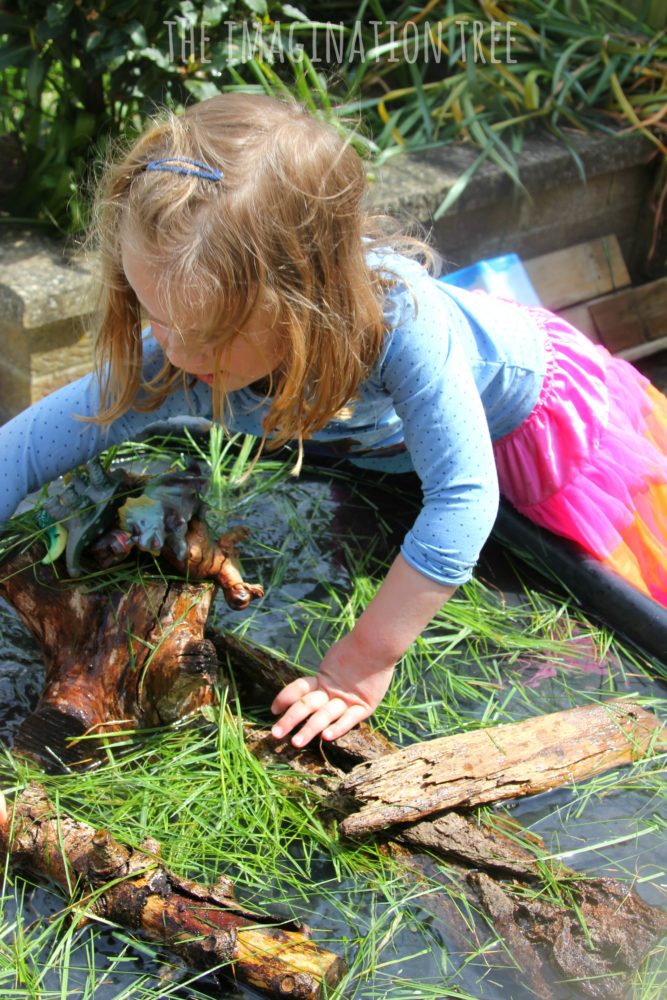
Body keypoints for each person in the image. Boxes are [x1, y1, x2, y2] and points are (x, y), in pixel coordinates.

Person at [1, 93, 666, 747]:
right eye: (155, 313)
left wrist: (364, 660)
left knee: (589, 603)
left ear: (302, 305)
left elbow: (464, 501)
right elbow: (24, 448)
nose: (172, 350)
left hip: (540, 434)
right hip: (391, 448)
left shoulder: (400, 324)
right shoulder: (182, 356)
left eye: (205, 332)